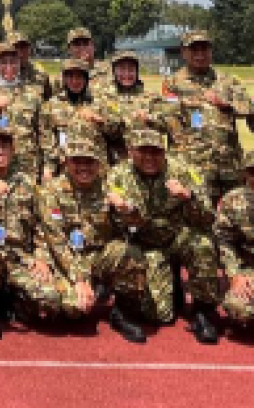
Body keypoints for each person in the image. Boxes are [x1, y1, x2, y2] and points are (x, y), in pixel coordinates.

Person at [106, 129, 221, 344]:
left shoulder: (185, 171)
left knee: (202, 243)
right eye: (143, 152)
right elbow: (116, 224)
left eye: (156, 152)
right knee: (160, 315)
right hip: (146, 244)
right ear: (131, 152)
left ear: (164, 153)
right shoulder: (118, 175)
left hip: (177, 238)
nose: (149, 158)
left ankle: (203, 312)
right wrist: (123, 209)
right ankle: (163, 284)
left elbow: (208, 218)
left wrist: (189, 198)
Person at [35, 139, 149, 343]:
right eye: (77, 161)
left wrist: (126, 208)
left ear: (99, 164)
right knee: (73, 309)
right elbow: (57, 242)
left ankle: (123, 314)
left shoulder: (109, 188)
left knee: (130, 254)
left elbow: (139, 222)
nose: (83, 168)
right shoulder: (50, 191)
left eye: (89, 162)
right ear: (67, 163)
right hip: (65, 259)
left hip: (97, 256)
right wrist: (79, 280)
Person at [0, 126, 66, 340]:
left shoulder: (26, 182)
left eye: (4, 145)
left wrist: (41, 258)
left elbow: (41, 226)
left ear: (13, 149)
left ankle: (14, 299)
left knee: (51, 299)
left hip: (19, 256)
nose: (0, 150)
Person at [164, 30, 252, 205]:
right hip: (193, 164)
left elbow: (249, 108)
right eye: (194, 50)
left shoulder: (227, 81)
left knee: (232, 213)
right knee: (197, 213)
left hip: (229, 163)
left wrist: (227, 103)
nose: (200, 55)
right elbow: (167, 116)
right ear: (183, 52)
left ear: (211, 51)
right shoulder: (173, 83)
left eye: (204, 49)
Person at [0, 42, 43, 182]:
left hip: (27, 165)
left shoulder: (32, 93)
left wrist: (48, 166)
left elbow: (43, 132)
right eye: (3, 63)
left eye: (13, 62)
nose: (9, 67)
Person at [40, 60, 114, 181]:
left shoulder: (100, 102)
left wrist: (100, 121)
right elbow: (48, 141)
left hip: (97, 170)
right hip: (66, 169)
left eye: (79, 77)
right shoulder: (51, 106)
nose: (75, 81)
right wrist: (49, 168)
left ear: (86, 79)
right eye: (71, 77)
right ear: (64, 79)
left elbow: (115, 133)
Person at [215, 150, 254, 333]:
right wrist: (235, 275)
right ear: (245, 174)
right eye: (253, 172)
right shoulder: (233, 200)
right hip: (248, 270)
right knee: (238, 306)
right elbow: (224, 241)